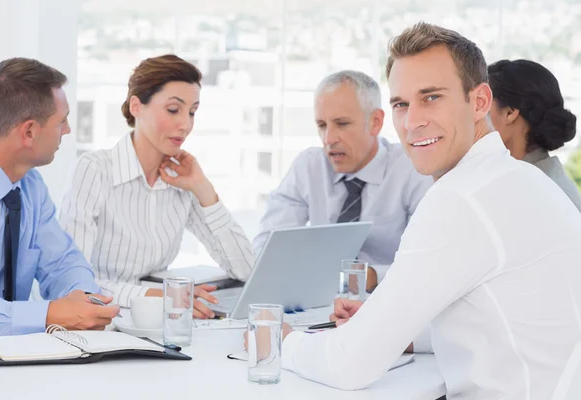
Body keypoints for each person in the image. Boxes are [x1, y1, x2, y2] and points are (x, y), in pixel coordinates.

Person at [246, 23, 581, 398]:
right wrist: (397, 332)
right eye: (401, 104)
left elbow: (349, 365)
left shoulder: (461, 198)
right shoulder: (520, 179)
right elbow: (495, 314)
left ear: (480, 101)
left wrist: (283, 339)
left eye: (432, 97)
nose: (412, 121)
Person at [59, 55, 254, 319]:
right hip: (98, 325)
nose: (185, 124)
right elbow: (73, 284)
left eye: (192, 112)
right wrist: (160, 297)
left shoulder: (183, 179)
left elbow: (245, 269)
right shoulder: (95, 170)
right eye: (174, 110)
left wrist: (204, 190)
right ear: (136, 106)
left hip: (160, 324)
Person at [253, 71, 432, 291]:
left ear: (375, 122)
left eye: (342, 124)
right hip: (316, 302)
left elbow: (431, 260)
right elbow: (267, 249)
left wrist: (375, 276)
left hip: (390, 298)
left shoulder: (412, 169)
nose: (329, 139)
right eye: (321, 125)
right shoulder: (309, 167)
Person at [0, 58, 120, 336]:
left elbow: (63, 261)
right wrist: (49, 313)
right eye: (62, 121)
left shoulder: (30, 185)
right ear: (29, 131)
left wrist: (83, 298)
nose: (67, 130)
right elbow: (49, 313)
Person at [488, 59, 581, 211]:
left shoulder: (536, 191)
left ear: (510, 112)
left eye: (484, 104)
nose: (475, 115)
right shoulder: (536, 178)